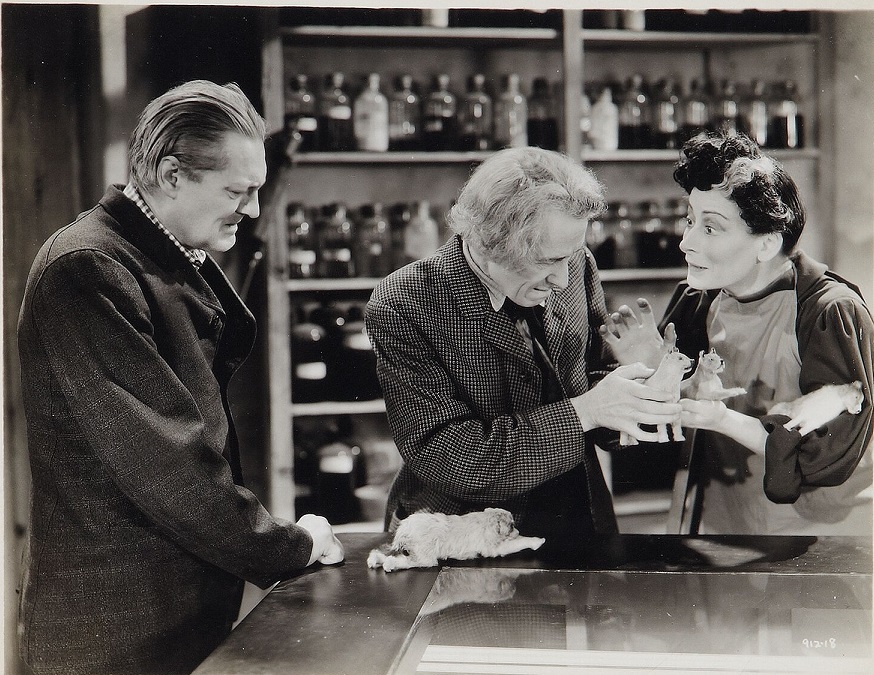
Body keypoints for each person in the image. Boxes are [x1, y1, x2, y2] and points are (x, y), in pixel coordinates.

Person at [16, 80, 345, 675]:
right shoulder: (89, 269)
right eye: (237, 191)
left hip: (172, 619)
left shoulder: (160, 254)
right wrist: (291, 545)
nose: (251, 209)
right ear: (171, 175)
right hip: (117, 639)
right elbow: (171, 464)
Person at [364, 146, 682, 541]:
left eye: (570, 257)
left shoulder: (574, 261)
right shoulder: (405, 302)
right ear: (488, 241)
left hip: (577, 517)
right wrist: (585, 411)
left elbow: (597, 395)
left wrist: (644, 380)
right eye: (547, 262)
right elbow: (451, 456)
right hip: (464, 533)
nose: (563, 280)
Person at [601, 131, 873, 535]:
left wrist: (722, 418)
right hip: (723, 523)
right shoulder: (697, 300)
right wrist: (654, 372)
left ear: (766, 244)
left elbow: (821, 456)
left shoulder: (830, 311)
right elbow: (661, 433)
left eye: (710, 228)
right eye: (689, 220)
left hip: (819, 535)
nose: (685, 243)